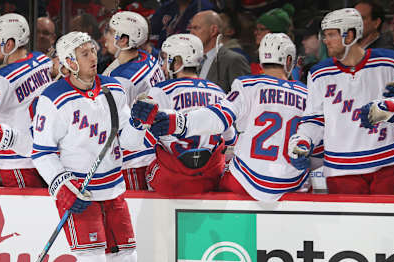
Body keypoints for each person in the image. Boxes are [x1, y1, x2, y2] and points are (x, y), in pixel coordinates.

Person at [32, 31, 150, 262]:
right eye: (83, 53)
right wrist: (62, 186)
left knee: (125, 261)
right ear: (68, 62)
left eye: (93, 51)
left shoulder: (114, 89)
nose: (92, 57)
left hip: (112, 188)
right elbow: (41, 152)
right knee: (92, 261)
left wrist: (139, 123)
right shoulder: (52, 98)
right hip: (78, 191)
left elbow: (126, 142)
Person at [132, 33, 317, 200]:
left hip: (243, 183)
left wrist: (181, 123)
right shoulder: (308, 93)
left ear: (261, 60)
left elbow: (219, 118)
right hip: (292, 186)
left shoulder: (247, 85)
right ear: (289, 60)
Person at [288, 8, 394, 195]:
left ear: (350, 35)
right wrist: (304, 139)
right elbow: (314, 119)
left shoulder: (388, 62)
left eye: (331, 34)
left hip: (387, 164)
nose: (325, 40)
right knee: (349, 226)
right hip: (341, 169)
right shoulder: (319, 73)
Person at [140, 33, 236, 195]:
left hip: (171, 179)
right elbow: (230, 139)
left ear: (177, 61)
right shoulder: (218, 91)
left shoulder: (161, 91)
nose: (163, 64)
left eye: (166, 58)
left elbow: (143, 140)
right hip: (211, 177)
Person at [0, 13, 53, 188]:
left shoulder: (1, 80)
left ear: (10, 43)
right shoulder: (42, 61)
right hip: (45, 157)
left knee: (22, 215)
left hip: (16, 163)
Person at [103, 11, 165, 190]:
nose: (105, 36)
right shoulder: (149, 59)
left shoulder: (123, 80)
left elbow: (109, 122)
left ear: (123, 40)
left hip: (133, 158)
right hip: (152, 149)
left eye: (109, 31)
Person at [189, 10, 250, 92]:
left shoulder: (233, 60)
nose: (191, 33)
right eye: (191, 28)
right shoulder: (191, 59)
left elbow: (243, 97)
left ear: (213, 30)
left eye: (196, 28)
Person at [150, 0, 214, 49]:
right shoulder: (167, 7)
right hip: (161, 55)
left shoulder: (204, 9)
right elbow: (152, 30)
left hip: (190, 58)